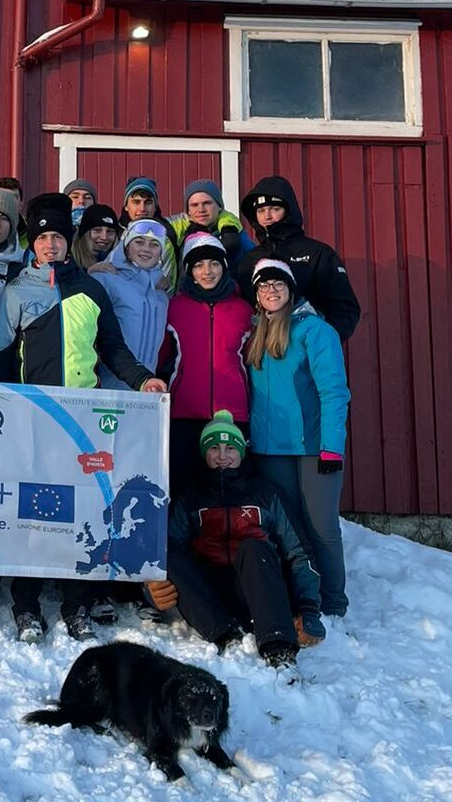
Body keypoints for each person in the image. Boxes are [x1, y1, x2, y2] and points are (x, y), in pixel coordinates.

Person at [0, 192, 165, 640]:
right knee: (32, 512)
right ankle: (26, 604)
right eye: (43, 237)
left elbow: (113, 348)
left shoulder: (90, 289)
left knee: (86, 513)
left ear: (70, 243)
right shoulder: (15, 291)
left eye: (58, 237)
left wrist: (144, 378)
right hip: (35, 416)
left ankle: (77, 604)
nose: (51, 245)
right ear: (33, 243)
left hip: (84, 417)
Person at [150, 411, 326, 667]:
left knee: (254, 547)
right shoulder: (190, 497)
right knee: (168, 552)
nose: (222, 456)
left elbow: (299, 552)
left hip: (258, 593)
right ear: (204, 454)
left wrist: (308, 608)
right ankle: (226, 637)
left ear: (241, 452)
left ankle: (279, 649)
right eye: (214, 449)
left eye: (230, 447)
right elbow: (165, 550)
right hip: (209, 599)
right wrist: (151, 588)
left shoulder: (266, 494)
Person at [243, 259, 351, 619]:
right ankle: (300, 594)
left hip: (312, 449)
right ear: (257, 296)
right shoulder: (255, 334)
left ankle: (333, 600)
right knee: (287, 530)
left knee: (321, 527)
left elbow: (334, 392)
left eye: (278, 285)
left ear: (291, 290)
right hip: (270, 451)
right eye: (263, 286)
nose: (271, 291)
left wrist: (332, 447)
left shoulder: (316, 332)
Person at [163, 234, 254, 493]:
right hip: (184, 414)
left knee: (232, 491)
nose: (207, 271)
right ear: (190, 271)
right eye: (199, 265)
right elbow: (161, 358)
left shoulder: (244, 310)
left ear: (224, 267)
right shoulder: (174, 308)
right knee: (184, 488)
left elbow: (253, 360)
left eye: (214, 264)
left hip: (233, 414)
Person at [239, 177, 362, 342]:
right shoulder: (249, 260)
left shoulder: (318, 253)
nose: (267, 216)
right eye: (261, 211)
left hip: (310, 352)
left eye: (274, 209)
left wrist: (323, 342)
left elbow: (345, 307)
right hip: (264, 354)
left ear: (288, 211)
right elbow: (241, 309)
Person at [89, 220, 177, 388]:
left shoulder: (161, 294)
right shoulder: (106, 279)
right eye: (139, 242)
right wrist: (88, 273)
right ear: (126, 248)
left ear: (161, 253)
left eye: (154, 245)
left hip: (146, 387)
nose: (146, 249)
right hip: (108, 387)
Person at [168, 180, 254, 270]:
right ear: (188, 210)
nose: (201, 209)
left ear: (219, 206)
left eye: (207, 203)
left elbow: (255, 261)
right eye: (194, 205)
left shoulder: (235, 233)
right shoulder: (177, 232)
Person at [118, 177, 178, 280]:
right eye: (136, 202)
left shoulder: (171, 229)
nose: (142, 208)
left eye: (148, 202)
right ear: (126, 206)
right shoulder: (114, 232)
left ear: (155, 206)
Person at [70, 203, 121, 274]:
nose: (104, 237)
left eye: (110, 231)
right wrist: (89, 274)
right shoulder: (68, 261)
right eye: (97, 230)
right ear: (85, 233)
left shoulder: (123, 262)